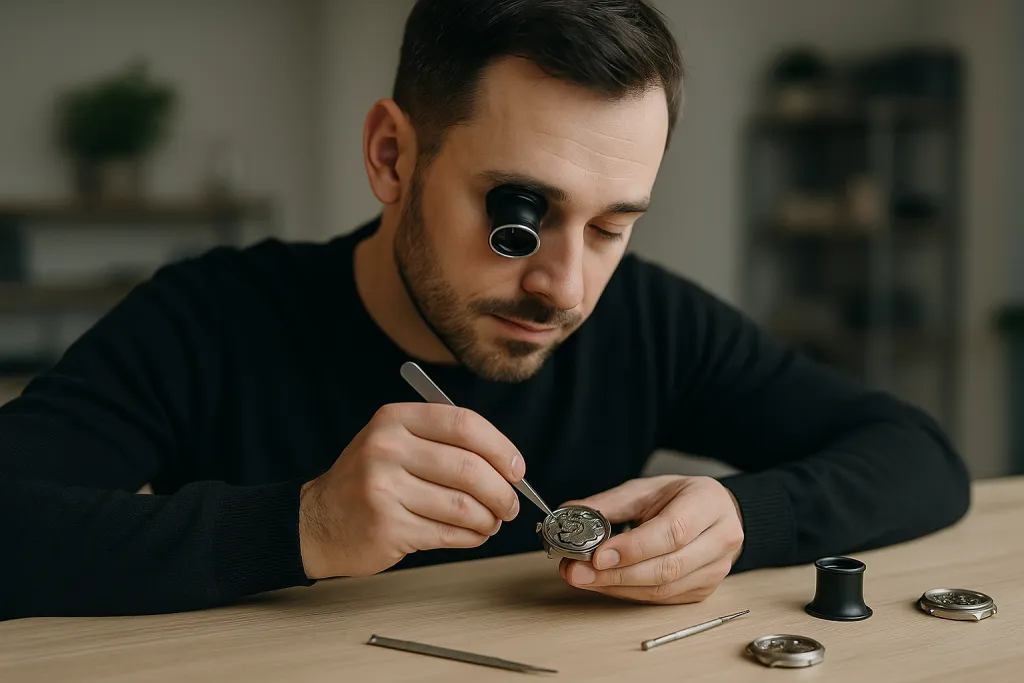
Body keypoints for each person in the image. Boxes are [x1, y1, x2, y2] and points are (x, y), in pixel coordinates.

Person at [0, 0, 970, 621]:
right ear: (391, 155)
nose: (564, 287)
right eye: (519, 216)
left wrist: (741, 515)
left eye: (610, 227)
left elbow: (916, 452)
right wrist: (299, 526)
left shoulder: (647, 322)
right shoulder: (210, 317)